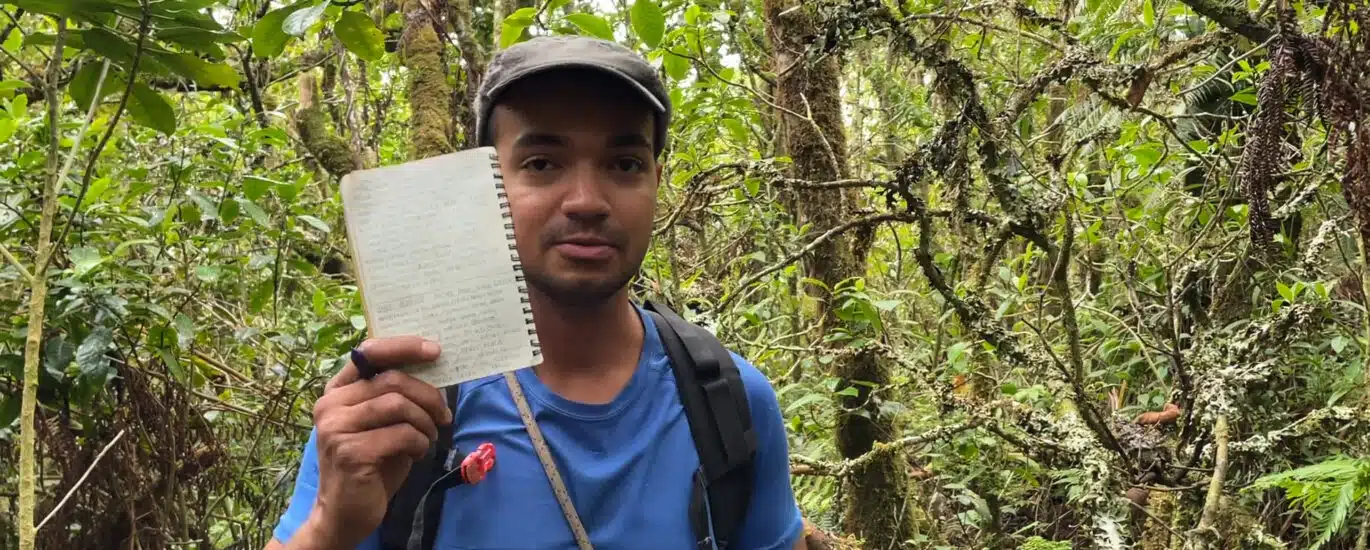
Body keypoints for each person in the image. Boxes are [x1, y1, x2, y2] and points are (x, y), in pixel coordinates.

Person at [265, 35, 806, 550]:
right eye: (542, 164)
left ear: (656, 181)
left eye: (624, 164)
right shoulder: (404, 402)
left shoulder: (730, 400)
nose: (587, 201)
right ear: (487, 186)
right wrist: (331, 525)